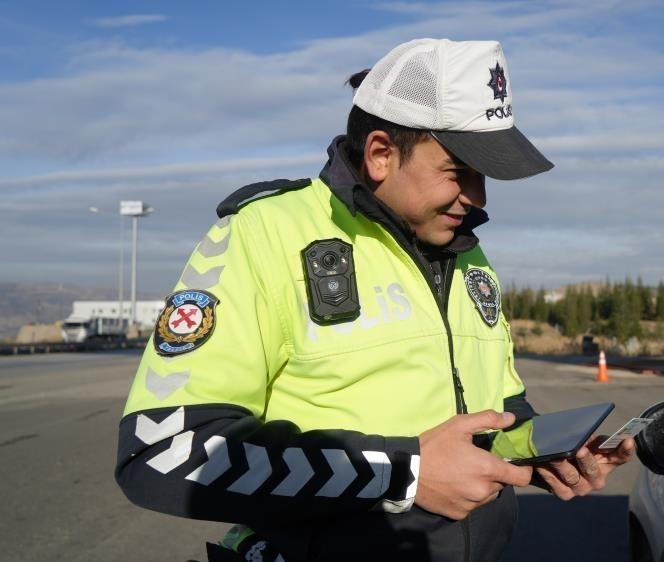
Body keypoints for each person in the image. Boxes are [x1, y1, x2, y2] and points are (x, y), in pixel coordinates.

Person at [115, 38, 634, 562]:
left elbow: (494, 413)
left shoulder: (468, 255)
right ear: (382, 154)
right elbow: (164, 450)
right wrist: (401, 473)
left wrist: (542, 451)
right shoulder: (261, 235)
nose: (478, 198)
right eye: (460, 172)